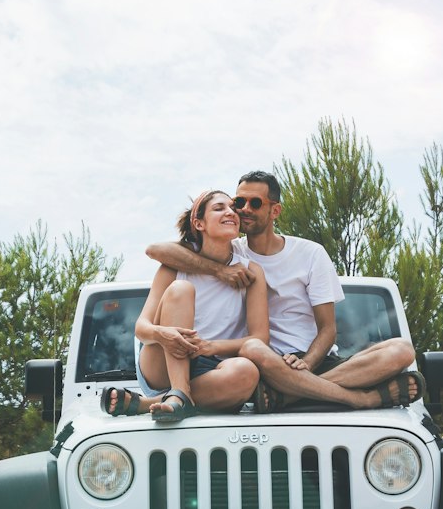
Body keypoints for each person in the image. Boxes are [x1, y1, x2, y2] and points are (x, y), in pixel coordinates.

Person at [145, 170, 423, 411]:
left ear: (274, 210)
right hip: (264, 364)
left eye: (255, 203)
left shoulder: (310, 253)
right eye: (238, 202)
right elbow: (157, 250)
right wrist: (218, 270)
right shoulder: (231, 253)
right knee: (255, 347)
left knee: (401, 350)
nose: (243, 209)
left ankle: (292, 397)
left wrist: (308, 366)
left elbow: (327, 329)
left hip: (312, 362)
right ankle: (360, 399)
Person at [104, 190, 268, 424]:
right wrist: (164, 334)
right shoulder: (173, 267)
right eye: (219, 208)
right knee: (181, 289)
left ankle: (150, 404)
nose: (231, 212)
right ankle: (178, 392)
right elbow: (141, 328)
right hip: (162, 361)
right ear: (198, 223)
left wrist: (210, 347)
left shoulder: (251, 271)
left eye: (233, 208)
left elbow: (260, 338)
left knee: (247, 371)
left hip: (214, 367)